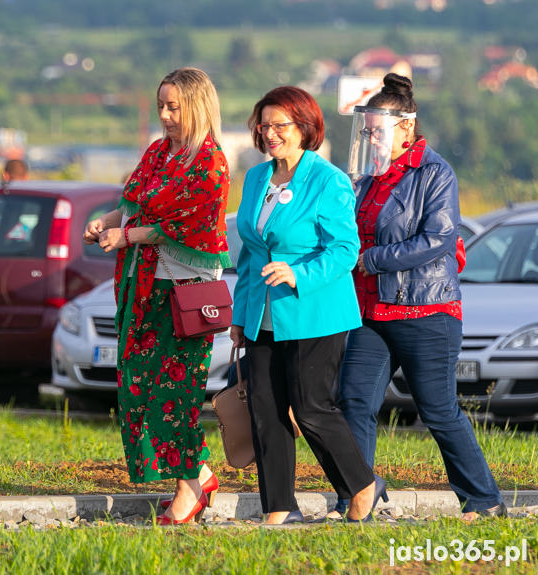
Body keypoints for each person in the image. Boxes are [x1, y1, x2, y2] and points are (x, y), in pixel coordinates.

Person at [331, 73, 505, 521]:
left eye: (376, 129)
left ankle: (484, 501)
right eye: (365, 129)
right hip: (370, 312)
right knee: (354, 401)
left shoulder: (435, 173)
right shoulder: (368, 177)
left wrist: (371, 260)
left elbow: (439, 239)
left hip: (426, 310)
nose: (369, 137)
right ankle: (358, 495)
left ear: (405, 127)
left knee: (438, 410)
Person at [230, 86, 387, 525]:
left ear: (305, 128)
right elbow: (250, 254)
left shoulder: (328, 180)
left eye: (281, 125)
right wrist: (240, 316)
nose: (271, 133)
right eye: (264, 125)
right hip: (261, 313)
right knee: (265, 408)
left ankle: (361, 484)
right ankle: (279, 506)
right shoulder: (257, 178)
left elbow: (343, 249)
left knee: (311, 408)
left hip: (315, 312)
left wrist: (298, 273)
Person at [84, 67, 230, 525]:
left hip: (186, 292)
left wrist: (128, 237)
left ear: (197, 106)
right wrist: (107, 223)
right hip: (145, 287)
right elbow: (134, 205)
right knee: (137, 386)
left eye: (174, 107)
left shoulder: (211, 163)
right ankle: (198, 473)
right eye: (161, 105)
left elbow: (189, 226)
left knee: (176, 390)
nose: (165, 115)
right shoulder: (157, 154)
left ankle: (190, 482)